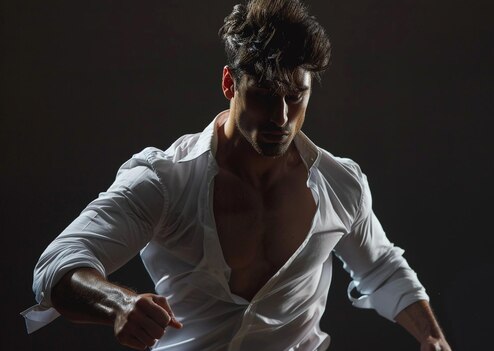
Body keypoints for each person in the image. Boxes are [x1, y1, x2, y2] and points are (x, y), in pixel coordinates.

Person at [22, 1, 452, 350]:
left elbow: (380, 267)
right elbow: (58, 266)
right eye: (264, 96)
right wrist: (119, 303)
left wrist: (433, 337)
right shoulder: (165, 180)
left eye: (295, 97)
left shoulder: (341, 185)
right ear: (230, 84)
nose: (281, 118)